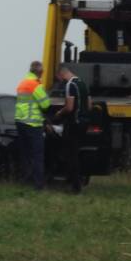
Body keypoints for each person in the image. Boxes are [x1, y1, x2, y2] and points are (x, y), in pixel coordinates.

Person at [51, 65, 91, 194]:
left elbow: (69, 107)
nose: (60, 81)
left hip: (74, 123)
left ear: (61, 74)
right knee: (77, 153)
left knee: (70, 155)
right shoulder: (83, 83)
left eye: (59, 78)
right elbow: (89, 105)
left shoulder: (70, 85)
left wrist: (59, 113)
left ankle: (75, 186)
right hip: (84, 123)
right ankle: (78, 181)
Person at [15, 61, 51, 190]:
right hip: (33, 124)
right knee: (37, 155)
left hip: (20, 122)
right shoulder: (36, 85)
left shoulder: (22, 83)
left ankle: (25, 180)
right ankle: (38, 185)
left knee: (25, 154)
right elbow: (46, 104)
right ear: (40, 72)